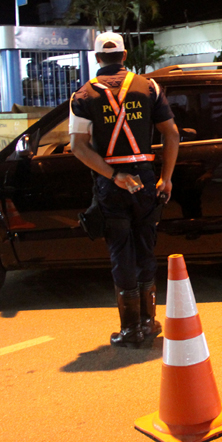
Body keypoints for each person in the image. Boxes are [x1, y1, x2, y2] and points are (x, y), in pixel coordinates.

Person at [69, 32, 179, 348]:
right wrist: (166, 178)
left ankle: (130, 329)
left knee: (121, 252)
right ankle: (148, 322)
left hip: (111, 184)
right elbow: (171, 135)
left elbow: (78, 147)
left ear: (97, 58)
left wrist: (113, 174)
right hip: (145, 181)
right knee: (146, 246)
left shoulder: (83, 96)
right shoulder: (149, 87)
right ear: (125, 55)